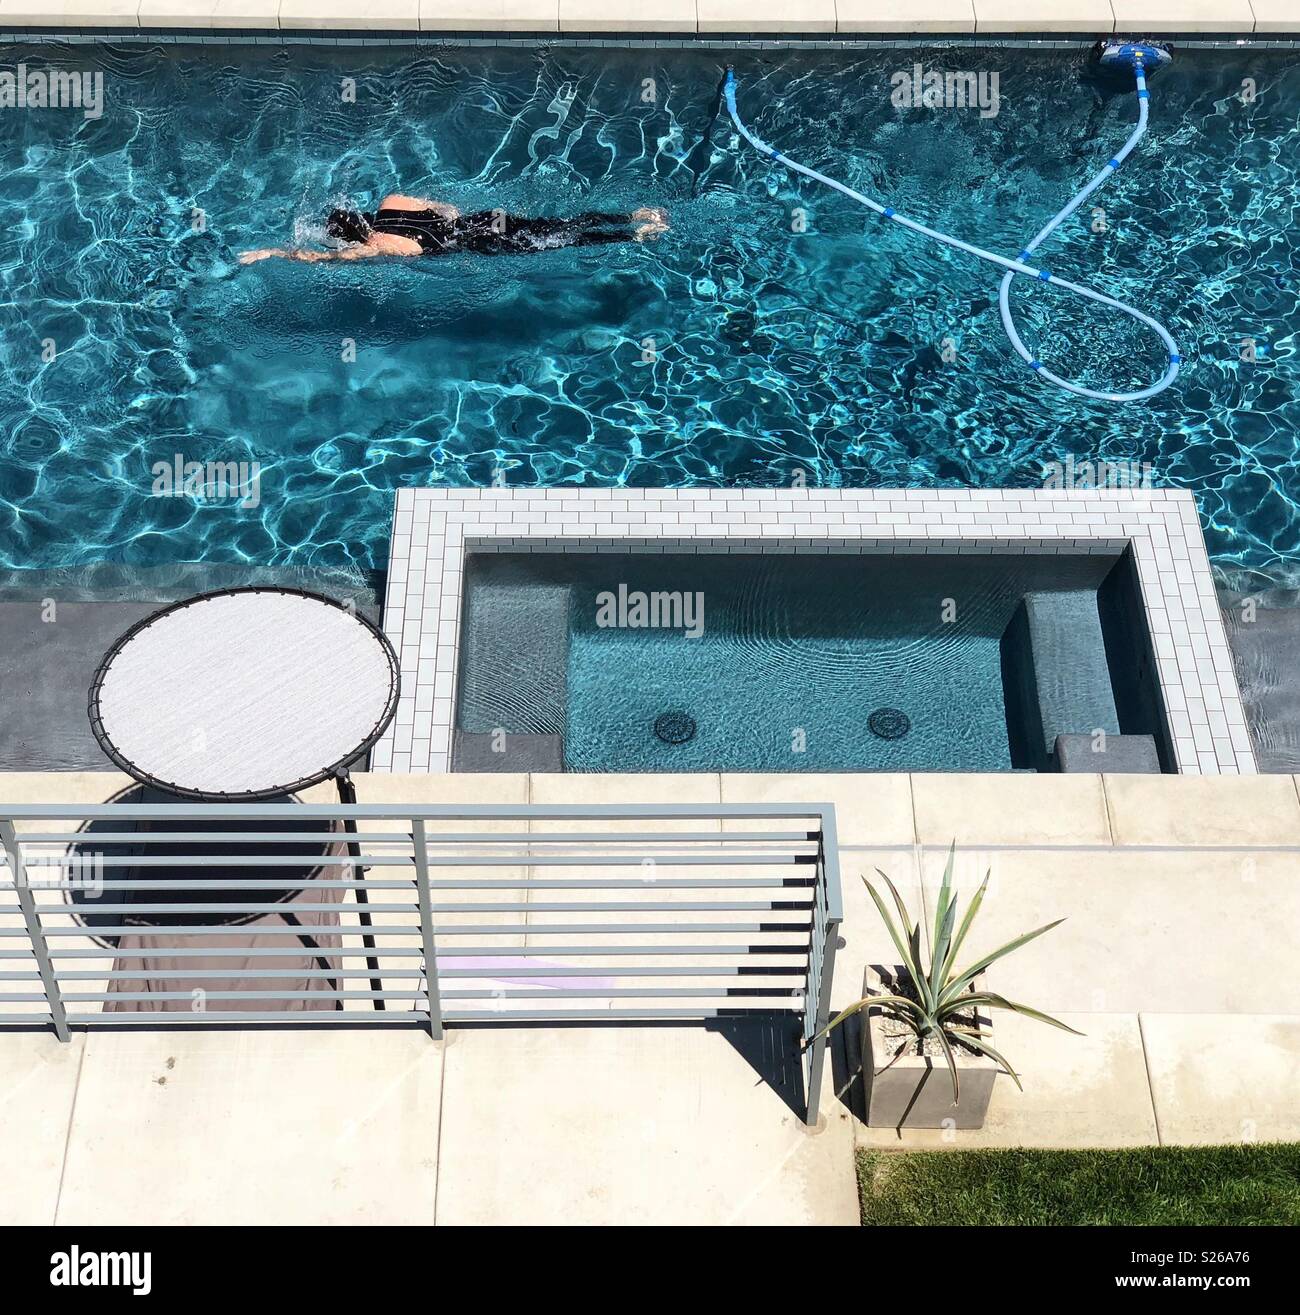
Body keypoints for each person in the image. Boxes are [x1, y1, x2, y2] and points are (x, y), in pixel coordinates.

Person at [239, 193, 669, 264]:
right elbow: (443, 207)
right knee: (557, 224)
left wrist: (272, 253)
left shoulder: (378, 245)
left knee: (559, 242)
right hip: (483, 219)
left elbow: (320, 260)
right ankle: (631, 215)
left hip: (485, 241)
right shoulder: (391, 202)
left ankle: (634, 234)